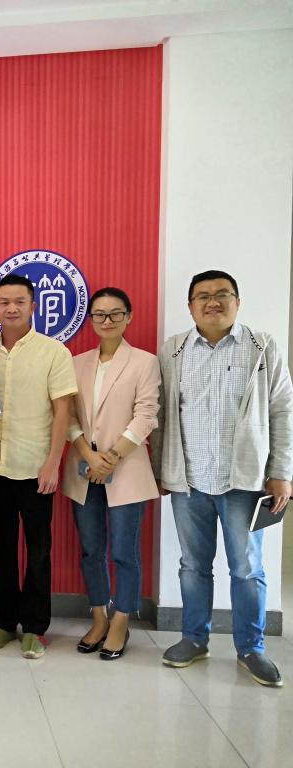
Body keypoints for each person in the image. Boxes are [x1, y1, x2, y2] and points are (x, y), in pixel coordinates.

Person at [152, 270, 292, 687]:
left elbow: (282, 411)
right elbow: (162, 414)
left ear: (237, 301)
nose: (212, 302)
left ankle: (251, 648)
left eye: (222, 294)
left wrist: (281, 473)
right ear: (190, 306)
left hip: (244, 482)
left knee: (247, 568)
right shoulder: (174, 349)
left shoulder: (262, 347)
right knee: (192, 566)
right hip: (189, 479)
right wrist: (161, 469)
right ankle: (194, 639)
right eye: (203, 296)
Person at [0, 274, 77, 658]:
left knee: (38, 553)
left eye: (19, 301)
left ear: (33, 306)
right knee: (0, 551)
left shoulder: (53, 352)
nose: (11, 308)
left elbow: (63, 410)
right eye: (4, 302)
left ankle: (34, 627)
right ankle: (3, 622)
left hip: (36, 469)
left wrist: (53, 463)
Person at [62, 287, 159, 660]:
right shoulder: (76, 363)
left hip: (127, 467)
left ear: (128, 317)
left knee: (123, 551)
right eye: (99, 314)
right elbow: (68, 416)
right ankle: (99, 616)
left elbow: (146, 415)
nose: (107, 320)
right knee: (91, 549)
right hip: (84, 468)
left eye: (115, 313)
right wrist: (89, 455)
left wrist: (113, 457)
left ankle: (121, 620)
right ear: (90, 320)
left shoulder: (144, 362)